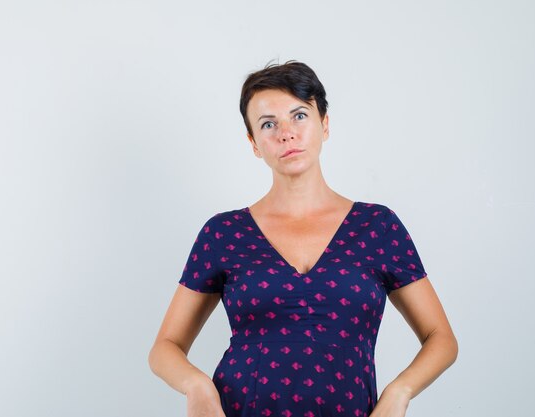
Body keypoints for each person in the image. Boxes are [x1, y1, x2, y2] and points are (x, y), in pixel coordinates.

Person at [148, 60, 458, 417]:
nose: (286, 133)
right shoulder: (223, 233)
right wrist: (197, 386)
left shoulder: (377, 227)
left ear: (324, 124)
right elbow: (165, 347)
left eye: (299, 116)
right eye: (268, 124)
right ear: (253, 143)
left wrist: (399, 392)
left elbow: (441, 338)